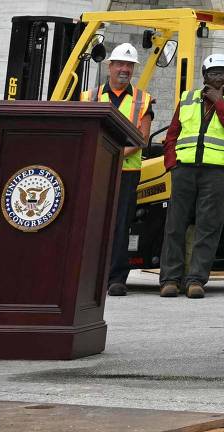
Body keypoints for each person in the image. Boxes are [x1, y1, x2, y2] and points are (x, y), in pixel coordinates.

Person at [160, 50, 224, 298]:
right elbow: (172, 134)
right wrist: (172, 163)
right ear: (204, 75)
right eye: (213, 73)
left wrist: (219, 102)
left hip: (217, 172)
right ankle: (170, 279)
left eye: (223, 73)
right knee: (175, 225)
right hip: (184, 169)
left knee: (208, 227)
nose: (219, 77)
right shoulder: (188, 98)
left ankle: (196, 280)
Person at [85, 41, 154, 296]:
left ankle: (116, 278)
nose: (124, 69)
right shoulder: (90, 97)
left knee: (119, 224)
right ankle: (90, 277)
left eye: (129, 65)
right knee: (92, 223)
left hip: (126, 171)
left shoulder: (142, 100)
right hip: (96, 170)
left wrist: (112, 156)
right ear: (110, 66)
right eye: (120, 64)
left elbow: (141, 138)